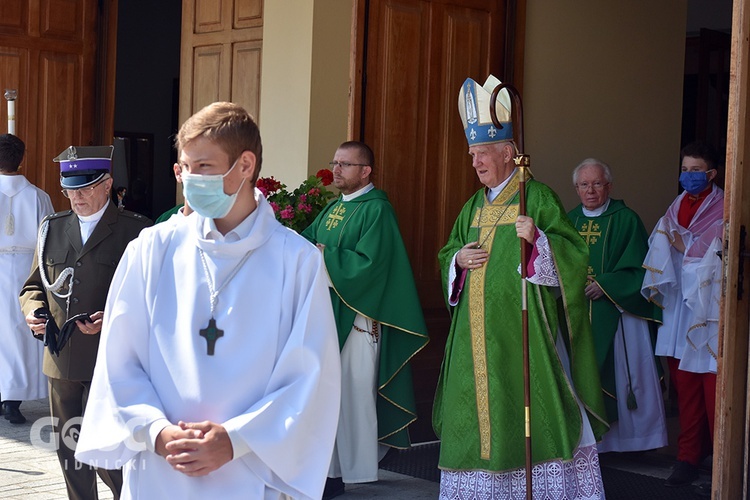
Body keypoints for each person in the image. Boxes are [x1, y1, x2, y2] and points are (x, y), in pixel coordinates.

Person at [74, 102, 342, 500]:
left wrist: (234, 439)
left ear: (245, 165)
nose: (190, 180)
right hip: (159, 468)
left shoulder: (296, 261)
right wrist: (157, 431)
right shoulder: (153, 248)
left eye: (205, 167)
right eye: (185, 168)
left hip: (249, 470)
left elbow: (309, 377)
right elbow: (118, 357)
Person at [434, 75, 608, 499]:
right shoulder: (473, 205)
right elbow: (448, 251)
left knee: (529, 415)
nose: (475, 162)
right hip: (472, 342)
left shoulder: (537, 197)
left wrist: (540, 243)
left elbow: (573, 257)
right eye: (472, 153)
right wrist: (457, 260)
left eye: (483, 153)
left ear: (510, 153)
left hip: (522, 337)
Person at [19, 144, 150, 499]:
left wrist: (114, 318)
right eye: (69, 189)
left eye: (85, 187)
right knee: (71, 450)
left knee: (107, 448)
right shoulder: (53, 227)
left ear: (106, 185)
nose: (76, 196)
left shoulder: (136, 232)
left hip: (110, 356)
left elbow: (151, 299)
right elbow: (33, 286)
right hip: (61, 357)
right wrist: (34, 311)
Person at [301, 141, 429, 498]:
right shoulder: (330, 209)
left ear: (366, 171)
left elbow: (371, 267)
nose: (337, 170)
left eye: (345, 164)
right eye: (335, 162)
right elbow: (305, 245)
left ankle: (354, 471)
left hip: (359, 318)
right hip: (327, 316)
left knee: (352, 395)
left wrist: (325, 256)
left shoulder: (378, 212)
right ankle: (328, 470)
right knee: (327, 394)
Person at [568, 158, 667, 453]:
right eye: (584, 184)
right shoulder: (569, 220)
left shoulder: (626, 219)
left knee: (625, 372)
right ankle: (590, 444)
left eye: (597, 183)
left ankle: (631, 441)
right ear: (576, 188)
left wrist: (607, 285)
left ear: (609, 186)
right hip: (578, 312)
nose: (591, 190)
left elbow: (640, 268)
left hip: (619, 312)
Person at [641, 141, 724, 487]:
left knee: (713, 387)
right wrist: (674, 246)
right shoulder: (676, 206)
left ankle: (722, 461)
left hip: (710, 311)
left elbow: (720, 252)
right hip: (679, 310)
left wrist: (681, 247)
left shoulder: (725, 207)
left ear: (712, 173)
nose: (689, 176)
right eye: (685, 170)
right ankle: (688, 457)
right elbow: (660, 240)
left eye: (696, 170)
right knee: (684, 385)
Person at [0, 133, 54, 424]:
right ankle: (12, 399)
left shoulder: (36, 195)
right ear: (22, 160)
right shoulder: (38, 196)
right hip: (26, 268)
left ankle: (5, 398)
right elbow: (48, 241)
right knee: (20, 333)